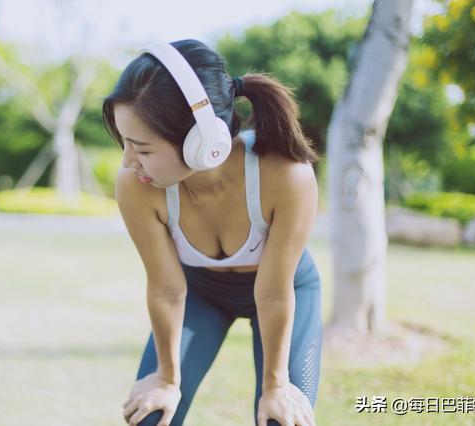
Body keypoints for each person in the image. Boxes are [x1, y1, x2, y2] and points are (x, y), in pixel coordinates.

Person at [102, 39, 322, 426]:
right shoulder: (136, 184)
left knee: (282, 419)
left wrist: (275, 387)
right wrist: (166, 379)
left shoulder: (287, 175)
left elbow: (272, 293)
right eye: (124, 143)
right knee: (152, 416)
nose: (127, 160)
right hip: (199, 294)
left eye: (143, 148)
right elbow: (167, 289)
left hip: (284, 291)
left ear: (203, 143)